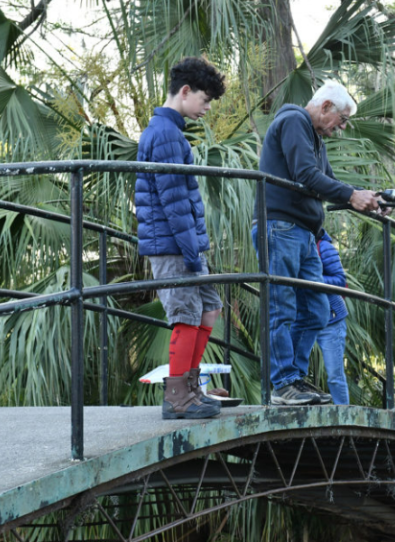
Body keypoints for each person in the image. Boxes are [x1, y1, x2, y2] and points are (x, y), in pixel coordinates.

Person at [252, 80, 381, 405]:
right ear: (325, 107)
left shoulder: (315, 139)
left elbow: (330, 182)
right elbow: (306, 175)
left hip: (306, 234)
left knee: (316, 310)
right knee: (282, 307)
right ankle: (282, 384)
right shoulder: (294, 120)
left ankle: (294, 377)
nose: (342, 127)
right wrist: (351, 196)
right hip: (279, 227)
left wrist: (370, 198)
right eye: (342, 119)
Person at [135, 57, 226, 419]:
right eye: (204, 100)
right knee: (186, 315)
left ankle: (190, 387)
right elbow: (173, 203)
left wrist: (197, 249)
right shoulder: (164, 134)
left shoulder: (170, 132)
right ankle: (178, 398)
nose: (206, 109)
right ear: (185, 92)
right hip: (172, 246)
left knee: (209, 308)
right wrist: (192, 252)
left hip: (184, 244)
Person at [316, 229, 350, 405]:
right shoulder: (295, 246)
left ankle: (345, 419)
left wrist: (313, 279)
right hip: (307, 319)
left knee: (335, 375)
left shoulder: (324, 247)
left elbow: (340, 280)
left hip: (331, 319)